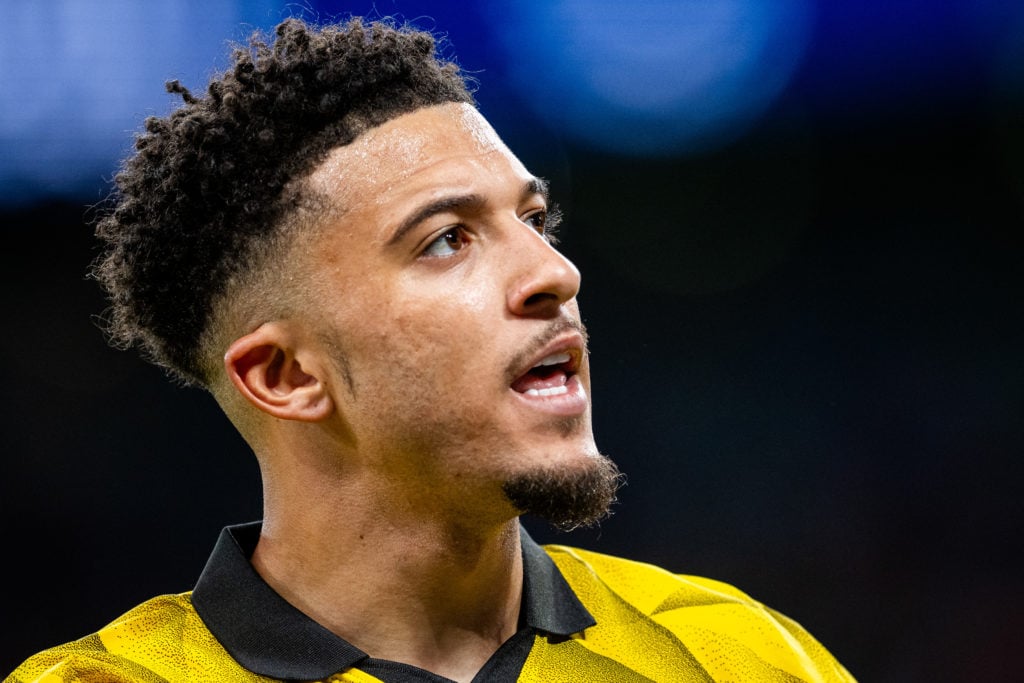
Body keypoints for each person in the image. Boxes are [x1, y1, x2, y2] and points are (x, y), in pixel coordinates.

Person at [6, 16, 855, 683]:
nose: (554, 272)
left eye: (532, 220)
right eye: (446, 239)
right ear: (285, 374)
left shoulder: (741, 654)